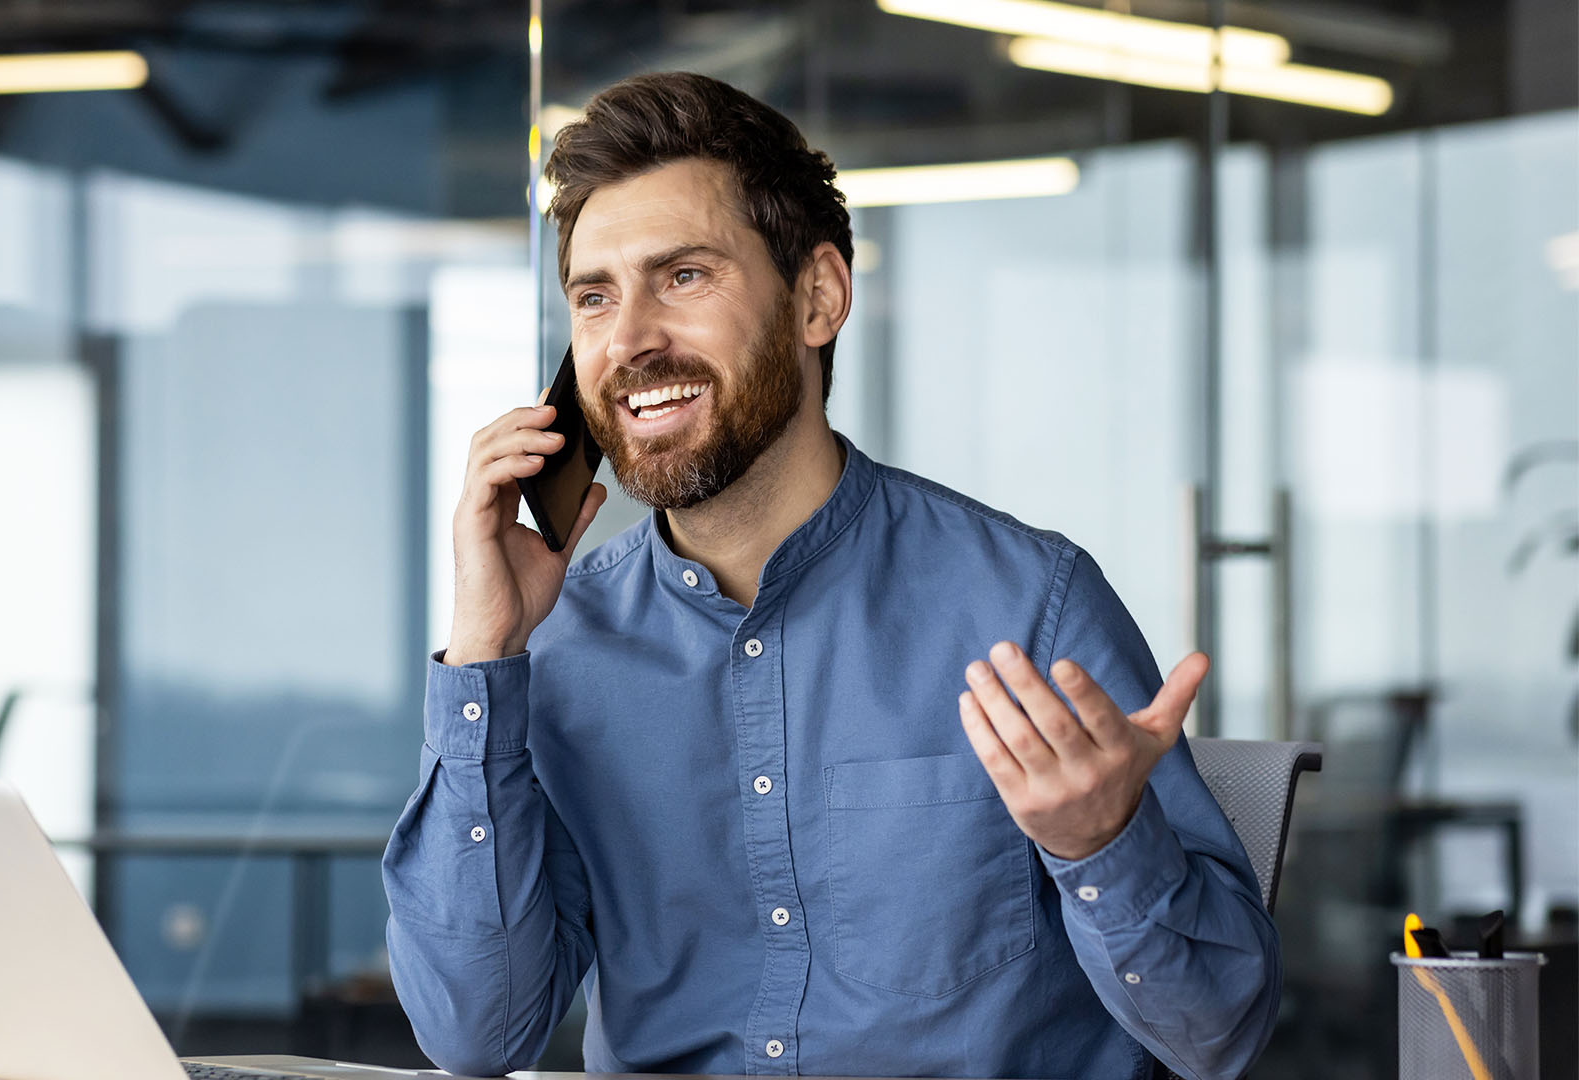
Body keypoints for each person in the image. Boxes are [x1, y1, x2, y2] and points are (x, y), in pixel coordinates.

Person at [381, 71, 1279, 1080]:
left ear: (818, 297)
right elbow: (475, 1034)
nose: (629, 339)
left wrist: (1101, 843)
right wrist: (484, 653)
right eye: (595, 297)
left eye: (683, 277)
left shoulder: (1028, 606)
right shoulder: (559, 646)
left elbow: (1219, 1035)